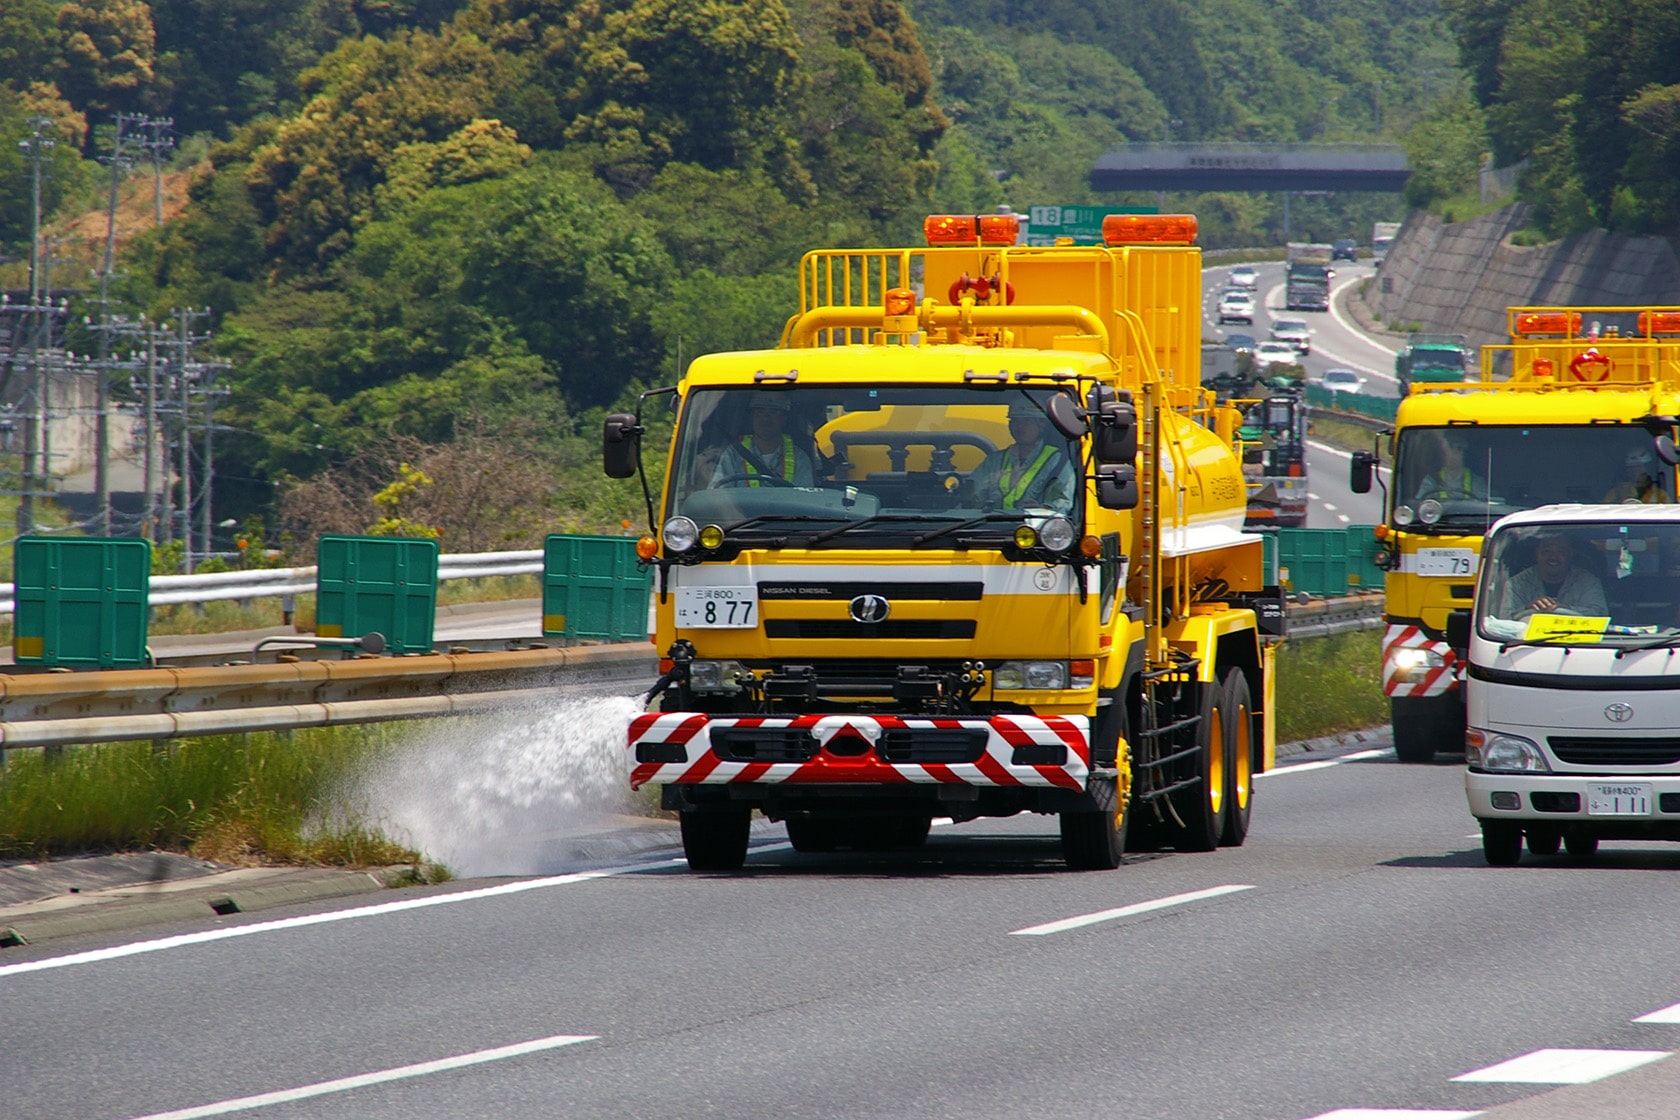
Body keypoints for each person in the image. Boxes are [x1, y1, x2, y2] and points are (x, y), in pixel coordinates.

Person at [974, 398, 1077, 512]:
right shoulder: (994, 461)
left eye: (1027, 421)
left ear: (1041, 424)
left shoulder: (1057, 462)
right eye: (1015, 421)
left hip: (1037, 527)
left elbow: (1062, 503)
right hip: (990, 526)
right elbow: (972, 496)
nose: (1019, 427)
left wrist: (1042, 509)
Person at [1494, 532, 1608, 618]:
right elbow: (1503, 619)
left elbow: (1600, 615)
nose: (1553, 557)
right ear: (1537, 554)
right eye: (1546, 551)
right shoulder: (1516, 583)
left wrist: (1565, 608)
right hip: (1527, 645)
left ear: (1570, 555)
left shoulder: (1588, 581)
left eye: (1561, 552)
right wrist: (1527, 608)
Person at [710, 396, 814, 487]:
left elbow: (804, 499)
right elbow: (720, 496)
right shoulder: (733, 454)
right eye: (760, 412)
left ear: (784, 419)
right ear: (752, 417)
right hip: (739, 510)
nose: (765, 418)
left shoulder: (799, 458)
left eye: (773, 412)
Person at [1412, 435, 1488, 502]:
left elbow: (1482, 506)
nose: (1453, 455)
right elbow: (1420, 503)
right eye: (1449, 449)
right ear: (1442, 454)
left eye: (1458, 450)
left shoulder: (1477, 482)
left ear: (1465, 455)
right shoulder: (1431, 480)